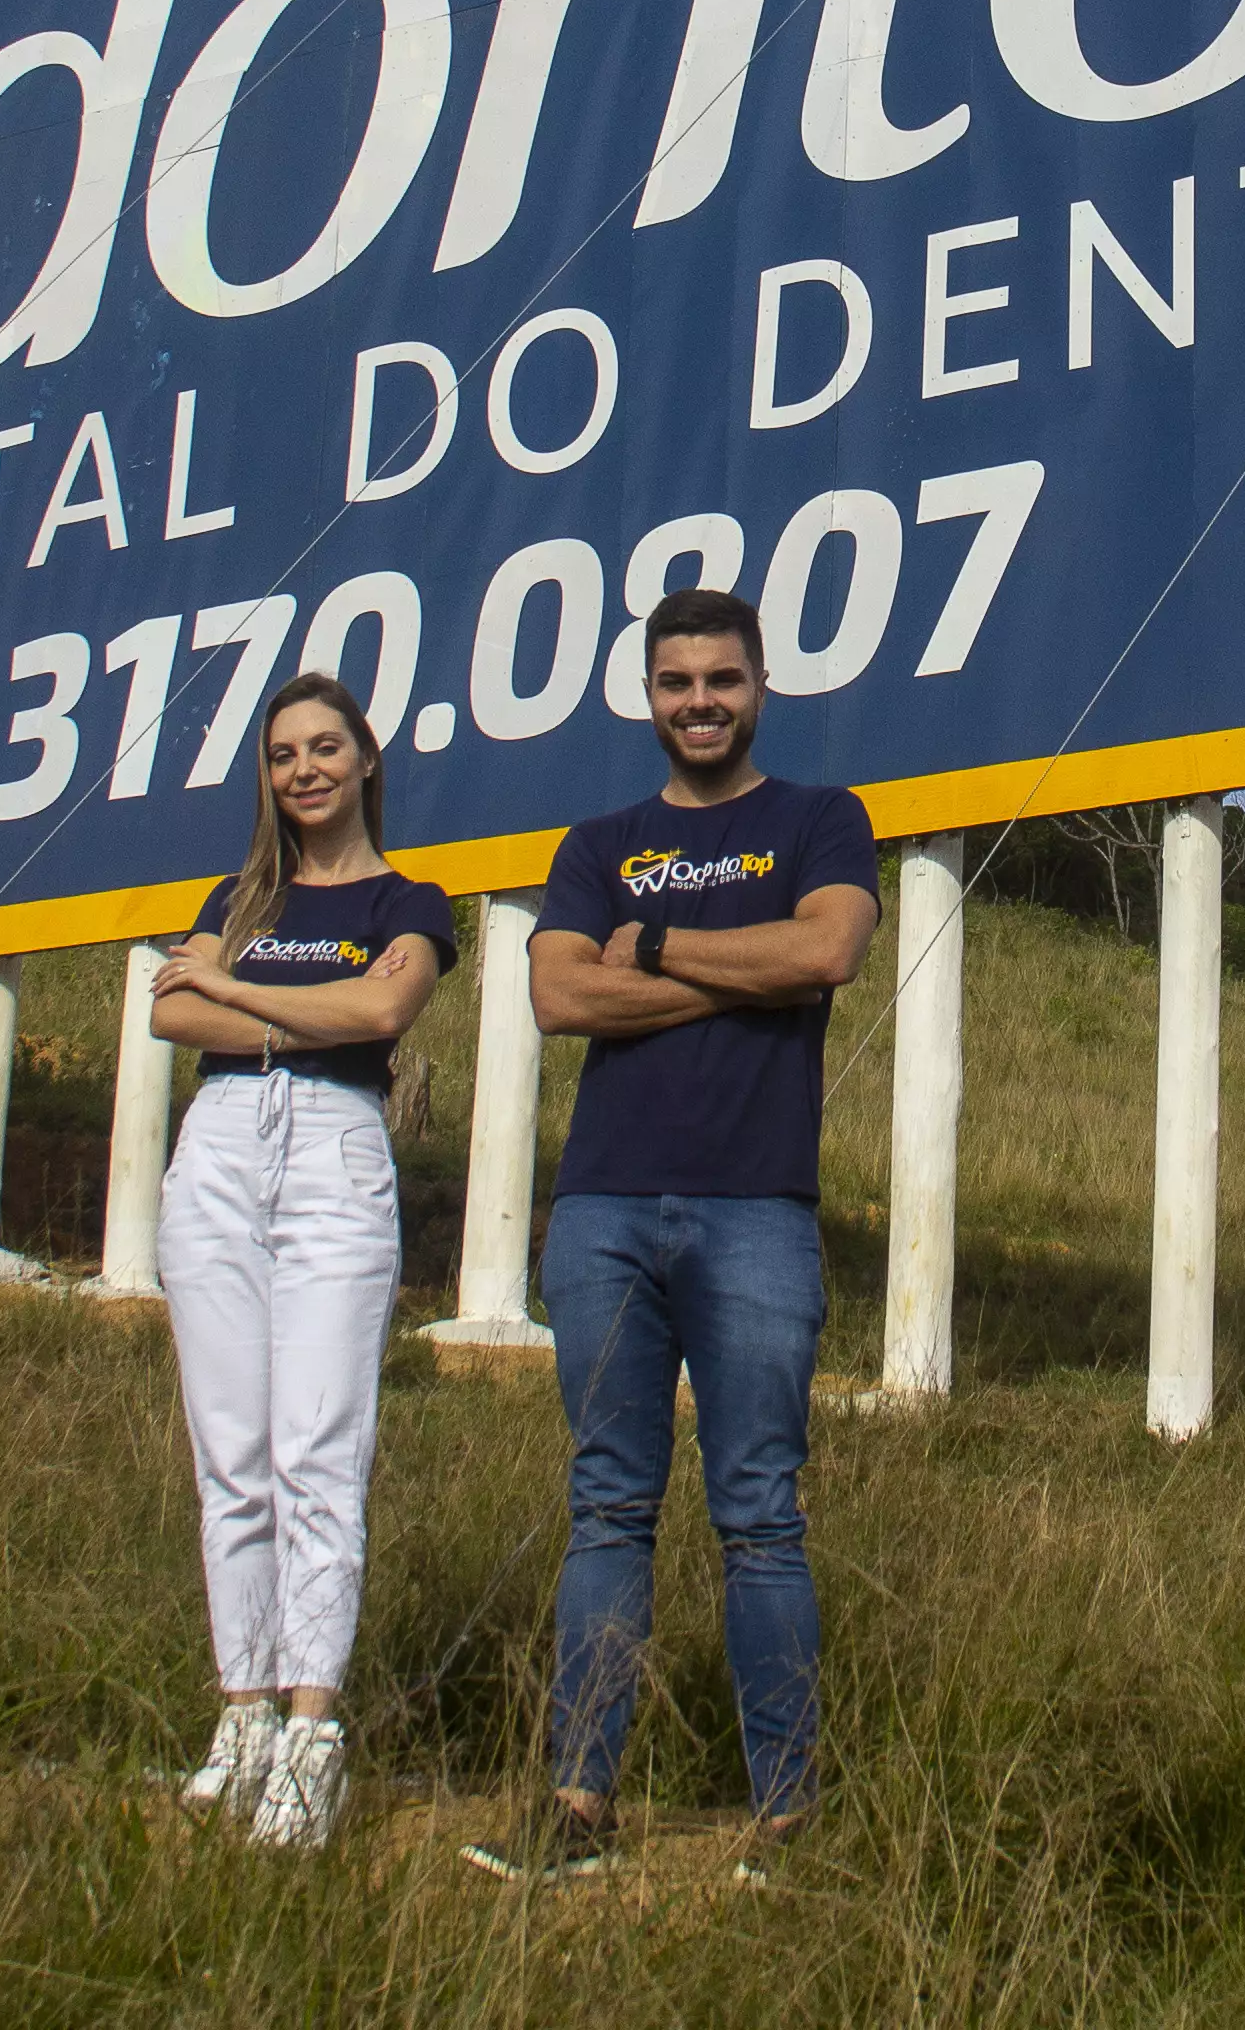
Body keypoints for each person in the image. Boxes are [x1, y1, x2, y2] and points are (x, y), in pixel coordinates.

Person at [469, 582, 878, 1886]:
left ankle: (787, 1824)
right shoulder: (600, 841)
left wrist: (653, 950)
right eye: (676, 682)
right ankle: (576, 1812)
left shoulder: (821, 820)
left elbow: (825, 959)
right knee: (607, 1511)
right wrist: (726, 963)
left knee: (760, 1514)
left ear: (762, 687)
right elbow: (556, 994)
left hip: (758, 1210)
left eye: (723, 680)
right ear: (648, 695)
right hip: (602, 1211)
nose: (700, 701)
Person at [143, 670, 452, 1849]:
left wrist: (232, 986)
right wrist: (265, 1003)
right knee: (232, 1454)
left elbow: (384, 1019)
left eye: (327, 747)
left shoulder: (411, 900)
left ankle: (314, 1729)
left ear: (367, 760)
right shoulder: (241, 896)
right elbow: (174, 1018)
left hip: (332, 1149)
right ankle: (245, 1715)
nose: (306, 769)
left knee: (319, 1446)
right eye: (283, 755)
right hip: (219, 1141)